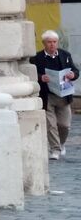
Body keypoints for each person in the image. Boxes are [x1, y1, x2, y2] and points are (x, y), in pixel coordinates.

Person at [32, 29, 78, 162]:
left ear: (57, 42)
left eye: (54, 42)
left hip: (63, 95)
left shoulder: (65, 55)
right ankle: (55, 149)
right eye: (49, 42)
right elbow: (31, 74)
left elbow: (75, 70)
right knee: (51, 124)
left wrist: (73, 75)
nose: (52, 44)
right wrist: (41, 77)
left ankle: (61, 143)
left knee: (64, 125)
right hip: (47, 95)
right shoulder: (37, 58)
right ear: (43, 43)